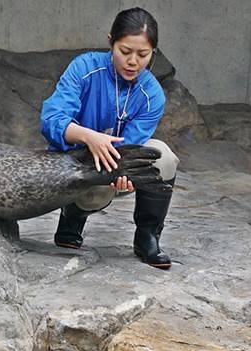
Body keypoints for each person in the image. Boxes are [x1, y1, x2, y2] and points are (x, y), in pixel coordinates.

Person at [40, 7, 179, 269]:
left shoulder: (152, 94)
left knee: (164, 158)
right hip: (73, 159)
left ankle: (147, 236)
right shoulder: (84, 68)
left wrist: (124, 173)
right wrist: (89, 137)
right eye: (125, 51)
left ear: (153, 53)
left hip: (114, 159)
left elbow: (131, 146)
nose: (133, 62)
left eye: (143, 55)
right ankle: (72, 215)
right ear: (110, 42)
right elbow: (51, 120)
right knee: (95, 191)